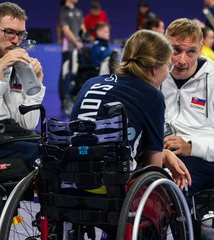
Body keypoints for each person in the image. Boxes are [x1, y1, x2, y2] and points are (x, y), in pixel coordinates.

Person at [71, 29, 191, 191]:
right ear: (155, 68)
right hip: (112, 186)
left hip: (71, 177)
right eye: (168, 66)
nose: (168, 73)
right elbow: (153, 167)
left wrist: (164, 153)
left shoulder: (91, 82)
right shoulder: (152, 95)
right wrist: (163, 155)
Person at [161, 18, 214, 202]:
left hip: (200, 158)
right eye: (176, 50)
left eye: (191, 52)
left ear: (200, 50)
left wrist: (191, 147)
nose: (182, 60)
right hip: (157, 152)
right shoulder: (156, 75)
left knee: (168, 194)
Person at [0, 2, 45, 167]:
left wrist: (36, 83)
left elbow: (27, 124)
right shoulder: (1, 66)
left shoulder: (17, 67)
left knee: (55, 148)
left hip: (11, 137)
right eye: (9, 32)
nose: (15, 40)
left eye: (20, 34)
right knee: (39, 153)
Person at [58, 0, 86, 116]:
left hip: (78, 47)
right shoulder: (63, 12)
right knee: (66, 73)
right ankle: (65, 100)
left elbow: (82, 28)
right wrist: (75, 41)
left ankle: (75, 97)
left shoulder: (79, 12)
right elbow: (66, 30)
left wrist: (84, 37)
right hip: (68, 48)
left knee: (76, 72)